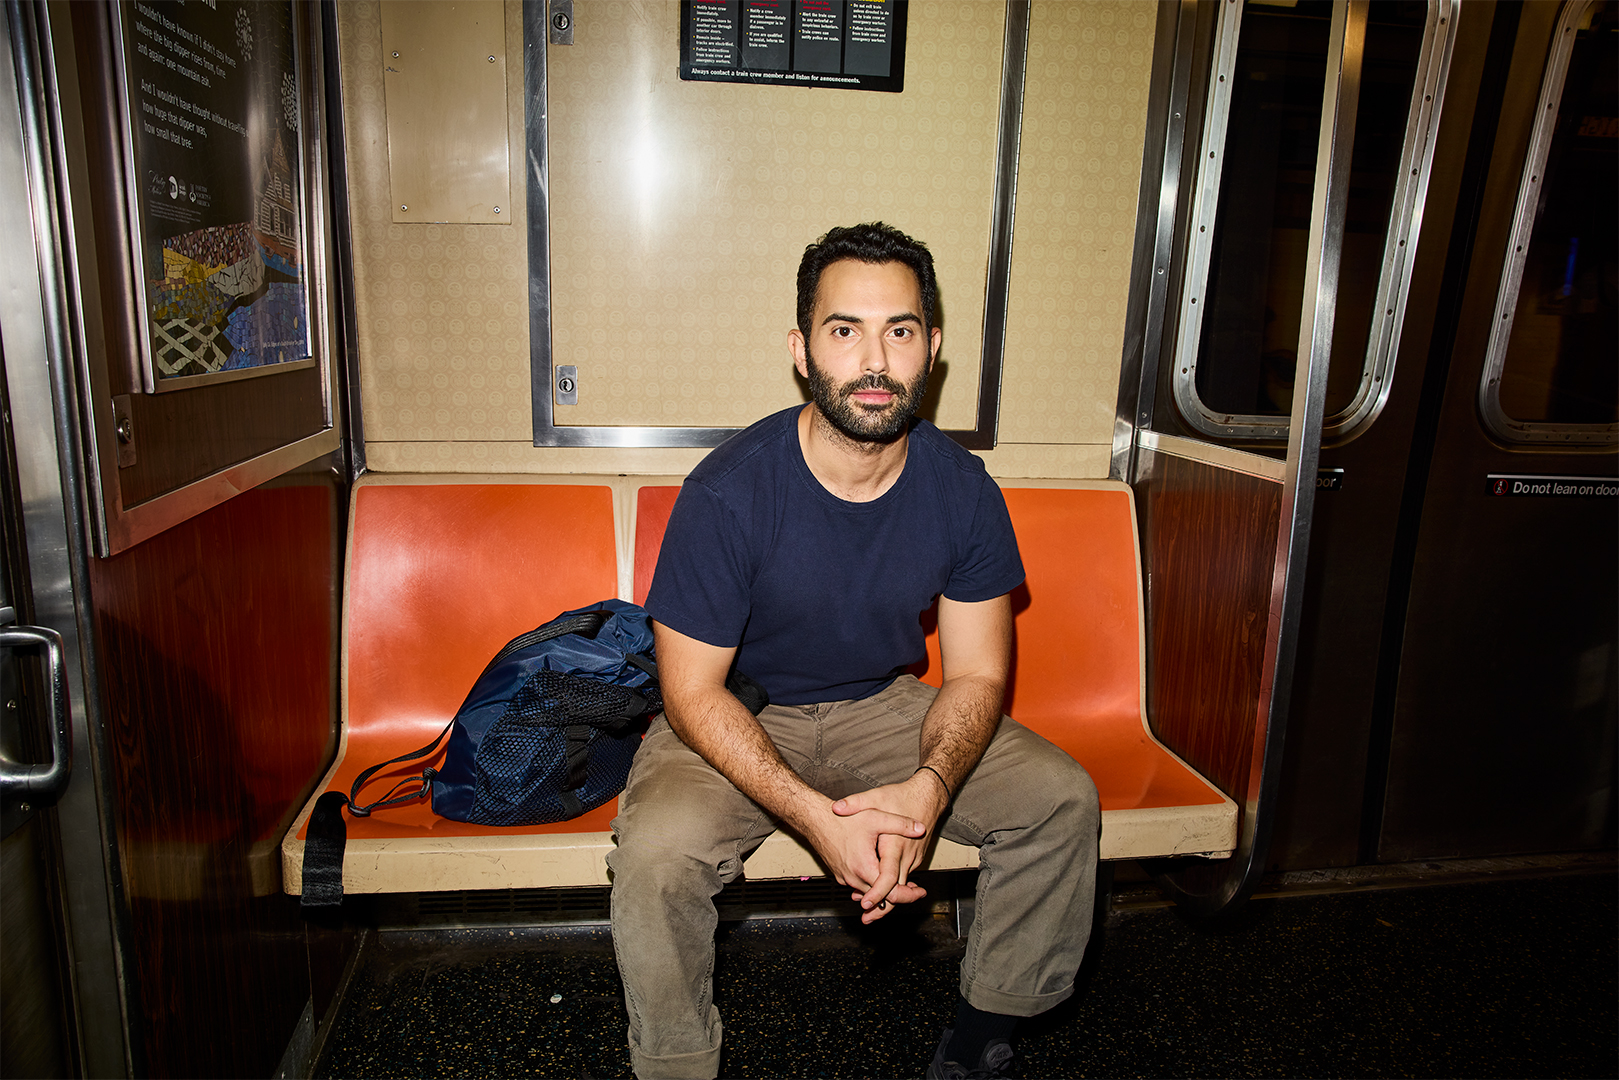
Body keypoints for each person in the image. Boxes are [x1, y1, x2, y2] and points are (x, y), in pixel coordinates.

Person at [608, 222, 1100, 1080]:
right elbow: (691, 694)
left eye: (898, 331)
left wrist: (928, 787)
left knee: (1059, 799)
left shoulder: (961, 491)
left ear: (931, 349)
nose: (874, 361)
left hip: (881, 703)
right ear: (802, 351)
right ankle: (677, 1065)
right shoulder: (728, 493)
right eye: (845, 330)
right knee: (656, 856)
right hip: (741, 707)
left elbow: (977, 672)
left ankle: (982, 1034)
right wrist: (815, 821)